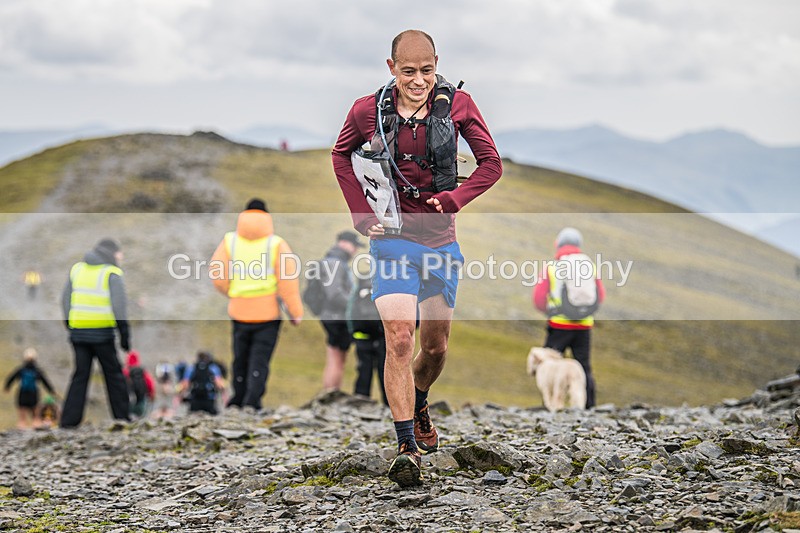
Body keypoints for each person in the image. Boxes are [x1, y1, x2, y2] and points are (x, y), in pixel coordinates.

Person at [332, 30, 503, 487]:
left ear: (437, 64)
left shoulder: (459, 105)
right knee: (400, 338)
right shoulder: (366, 110)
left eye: (426, 71)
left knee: (435, 346)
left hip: (441, 243)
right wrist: (360, 215)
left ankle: (421, 396)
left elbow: (491, 164)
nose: (419, 81)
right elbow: (340, 155)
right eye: (408, 72)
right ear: (391, 68)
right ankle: (406, 444)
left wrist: (455, 198)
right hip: (391, 242)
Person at [210, 198, 303, 410]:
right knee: (259, 360)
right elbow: (287, 281)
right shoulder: (276, 244)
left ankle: (238, 398)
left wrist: (232, 293)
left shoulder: (229, 242)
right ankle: (253, 401)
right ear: (267, 217)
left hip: (239, 311)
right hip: (267, 314)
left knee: (239, 357)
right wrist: (295, 312)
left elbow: (217, 275)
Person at [60, 238, 132, 428]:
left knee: (80, 375)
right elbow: (119, 307)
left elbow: (65, 300)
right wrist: (125, 336)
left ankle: (68, 421)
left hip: (78, 334)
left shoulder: (77, 269)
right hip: (102, 335)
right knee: (113, 374)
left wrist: (70, 325)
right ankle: (122, 417)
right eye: (120, 253)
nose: (121, 257)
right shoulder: (111, 273)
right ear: (112, 253)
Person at [533, 227, 606, 408]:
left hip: (559, 325)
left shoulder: (553, 267)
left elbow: (539, 298)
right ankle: (589, 406)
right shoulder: (589, 265)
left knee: (548, 364)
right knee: (583, 367)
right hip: (584, 326)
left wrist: (550, 311)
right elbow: (600, 295)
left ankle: (549, 405)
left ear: (558, 244)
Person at [317, 231, 364, 391]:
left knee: (336, 357)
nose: (355, 250)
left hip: (332, 316)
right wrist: (355, 307)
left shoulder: (335, 261)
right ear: (344, 243)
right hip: (336, 317)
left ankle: (330, 393)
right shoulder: (335, 263)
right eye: (354, 246)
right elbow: (334, 293)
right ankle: (330, 394)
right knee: (337, 358)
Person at [347, 273, 388, 405]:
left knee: (364, 370)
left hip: (362, 336)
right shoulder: (385, 284)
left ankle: (360, 401)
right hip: (382, 336)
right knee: (386, 371)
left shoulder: (360, 286)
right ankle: (390, 405)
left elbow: (350, 310)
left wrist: (352, 332)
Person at [3, 348, 56, 429]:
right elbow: (44, 381)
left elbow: (12, 377)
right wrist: (51, 390)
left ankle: (21, 425)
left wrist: (7, 387)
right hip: (33, 393)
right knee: (35, 412)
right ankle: (36, 424)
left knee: (22, 412)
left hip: (22, 393)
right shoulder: (37, 370)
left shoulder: (21, 369)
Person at [122, 351, 155, 418]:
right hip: (141, 398)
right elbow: (150, 384)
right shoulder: (142, 371)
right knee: (140, 417)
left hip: (128, 400)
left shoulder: (125, 371)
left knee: (129, 417)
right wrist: (151, 395)